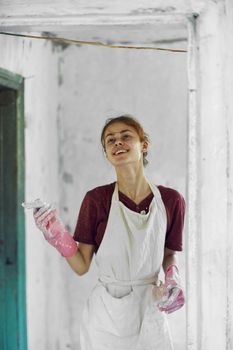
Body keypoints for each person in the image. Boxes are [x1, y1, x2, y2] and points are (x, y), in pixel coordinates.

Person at [33, 114, 185, 350]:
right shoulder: (96, 200)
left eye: (126, 136)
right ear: (106, 153)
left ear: (144, 145)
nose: (117, 143)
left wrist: (173, 277)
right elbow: (81, 266)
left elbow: (169, 253)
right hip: (107, 317)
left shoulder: (171, 200)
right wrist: (56, 235)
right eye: (110, 140)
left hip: (150, 310)